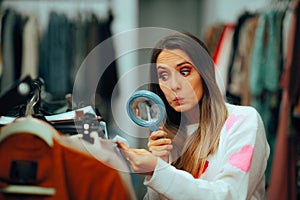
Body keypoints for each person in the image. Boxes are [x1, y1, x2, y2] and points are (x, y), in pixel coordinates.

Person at [117, 32, 270, 200]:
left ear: (204, 74)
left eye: (184, 71)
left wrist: (158, 170)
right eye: (164, 76)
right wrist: (160, 161)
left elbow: (230, 195)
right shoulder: (168, 136)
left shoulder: (244, 121)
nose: (174, 85)